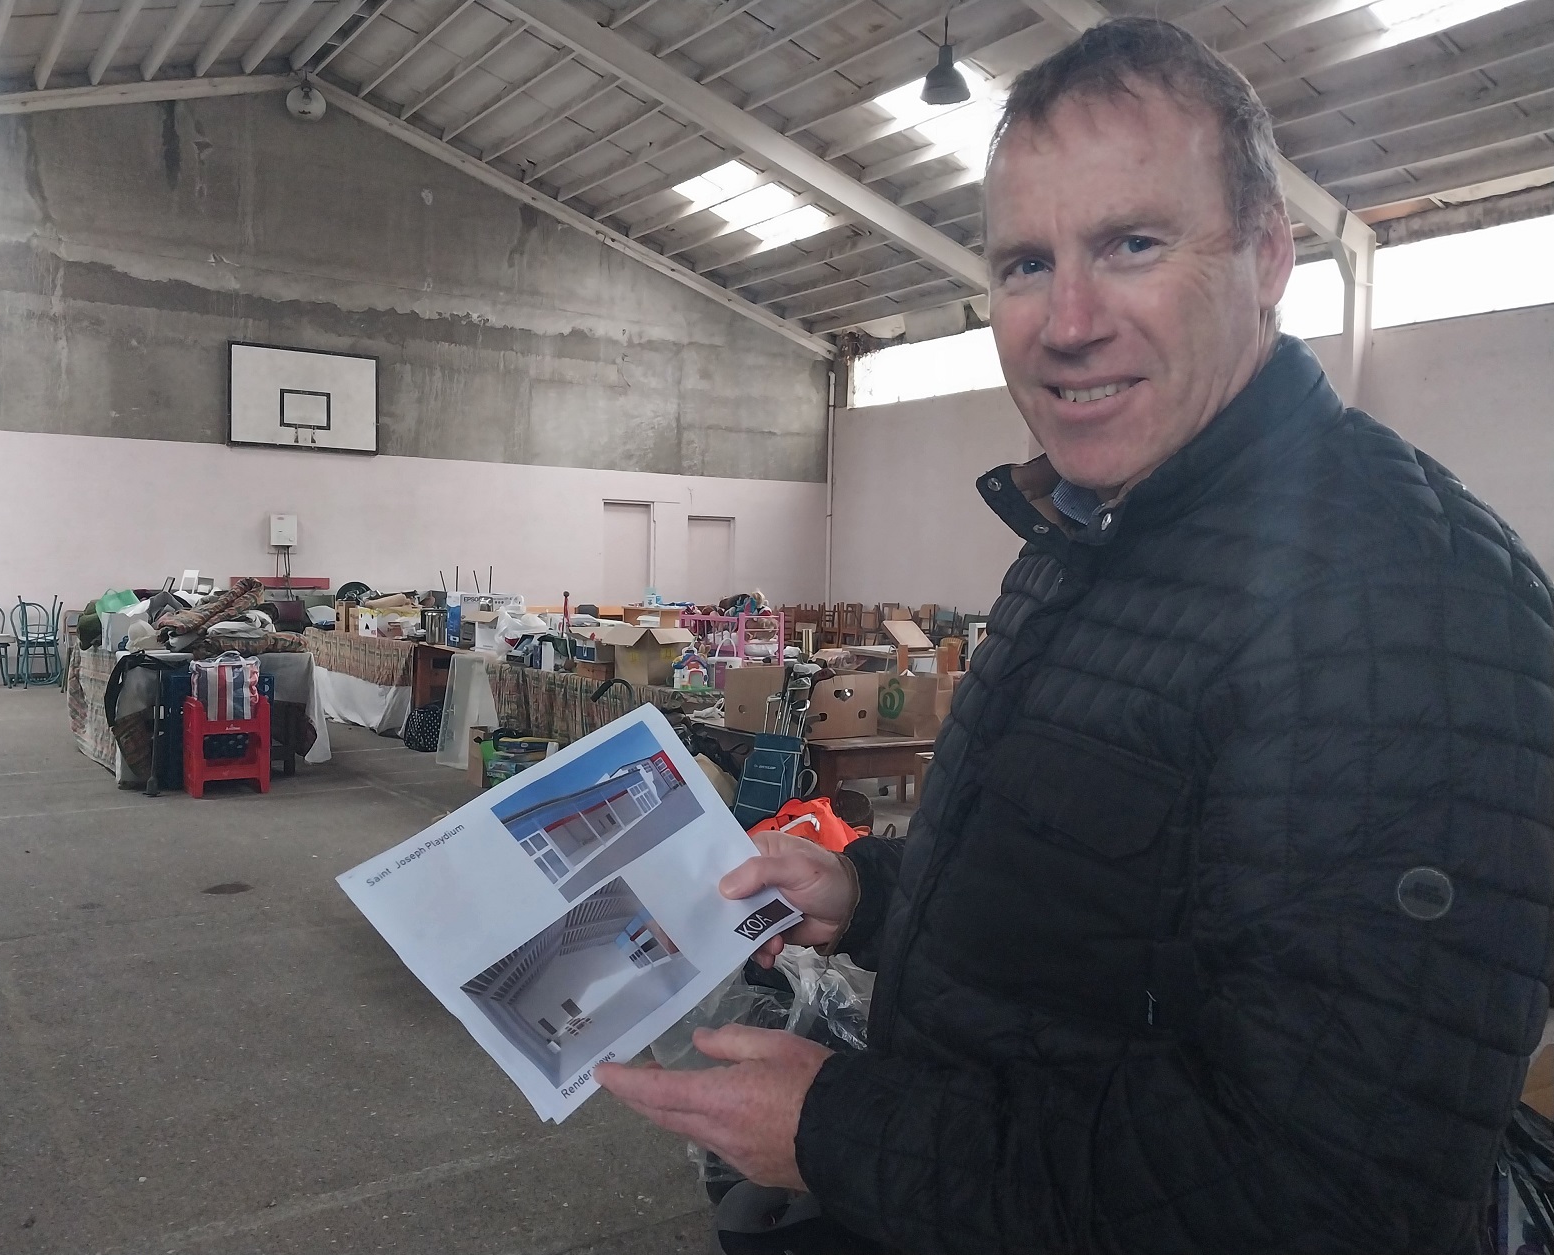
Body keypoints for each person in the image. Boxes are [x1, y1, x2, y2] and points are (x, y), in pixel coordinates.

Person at [599, 17, 1554, 1253]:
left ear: (1266, 256)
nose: (1066, 320)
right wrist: (866, 891)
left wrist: (840, 1126)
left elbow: (1324, 1194)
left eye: (1131, 244)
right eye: (1021, 264)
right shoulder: (1101, 528)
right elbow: (1094, 888)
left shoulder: (1397, 613)